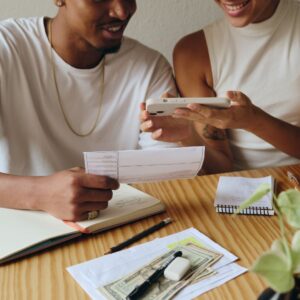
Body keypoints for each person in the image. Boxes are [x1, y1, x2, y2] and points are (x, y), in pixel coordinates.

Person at [0, 0, 193, 221]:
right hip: (21, 231)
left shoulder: (149, 67)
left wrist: (183, 143)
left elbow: (165, 181)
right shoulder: (6, 47)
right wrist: (39, 194)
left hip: (122, 225)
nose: (122, 11)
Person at [141, 0, 300, 173]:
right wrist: (188, 138)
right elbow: (221, 166)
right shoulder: (193, 52)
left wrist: (254, 121)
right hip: (237, 190)